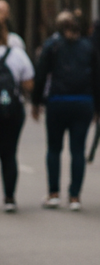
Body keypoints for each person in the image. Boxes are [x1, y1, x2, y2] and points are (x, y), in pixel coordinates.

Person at [32, 11, 100, 210]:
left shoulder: (52, 45)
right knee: (77, 150)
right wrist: (97, 106)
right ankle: (75, 197)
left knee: (54, 148)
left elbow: (41, 74)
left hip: (57, 101)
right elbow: (97, 78)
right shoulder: (89, 47)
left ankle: (53, 193)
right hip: (83, 102)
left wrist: (36, 102)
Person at [0, 12, 34, 212]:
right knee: (9, 155)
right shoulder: (16, 54)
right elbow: (28, 83)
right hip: (11, 111)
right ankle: (9, 198)